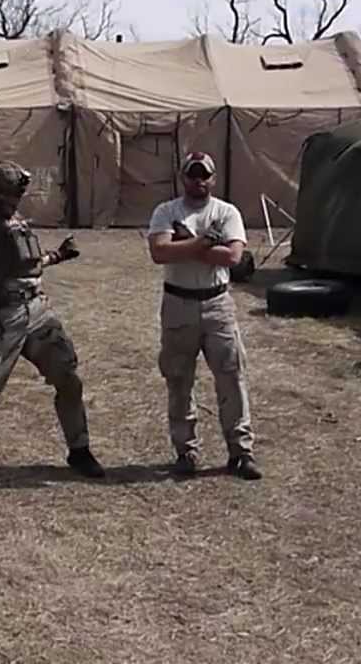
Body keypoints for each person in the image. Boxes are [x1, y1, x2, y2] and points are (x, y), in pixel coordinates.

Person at [0, 160, 105, 478]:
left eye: (19, 193)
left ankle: (80, 450)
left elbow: (26, 262)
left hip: (38, 310)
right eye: (12, 194)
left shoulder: (15, 220)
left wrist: (58, 255)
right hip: (3, 316)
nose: (17, 199)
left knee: (68, 377)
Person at [146, 152, 261, 480]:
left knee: (231, 377)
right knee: (179, 380)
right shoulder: (166, 211)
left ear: (213, 178)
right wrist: (205, 242)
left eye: (204, 175)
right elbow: (159, 252)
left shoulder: (226, 212)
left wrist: (186, 241)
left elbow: (233, 257)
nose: (199, 181)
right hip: (178, 303)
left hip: (217, 304)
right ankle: (186, 451)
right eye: (192, 175)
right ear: (183, 177)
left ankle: (240, 452)